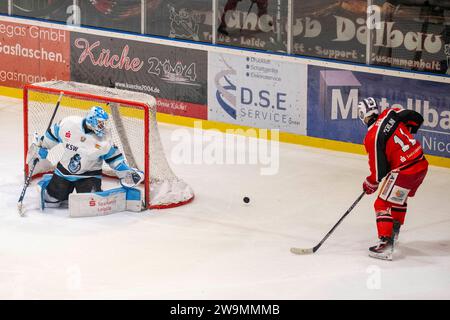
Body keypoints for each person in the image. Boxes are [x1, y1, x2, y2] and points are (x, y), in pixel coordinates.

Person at [28, 106, 143, 209]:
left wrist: (125, 171)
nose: (103, 126)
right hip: (64, 171)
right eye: (100, 123)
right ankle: (49, 183)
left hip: (90, 174)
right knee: (52, 200)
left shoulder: (105, 139)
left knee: (89, 203)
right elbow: (52, 135)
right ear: (91, 121)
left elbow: (113, 157)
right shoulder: (69, 123)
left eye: (103, 123)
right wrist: (41, 147)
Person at [358, 97, 428, 261]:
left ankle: (386, 243)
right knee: (398, 199)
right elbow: (415, 117)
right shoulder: (391, 113)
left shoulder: (371, 137)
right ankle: (394, 232)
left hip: (404, 170)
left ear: (363, 115)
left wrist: (370, 182)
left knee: (381, 204)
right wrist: (409, 133)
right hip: (420, 163)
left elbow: (378, 170)